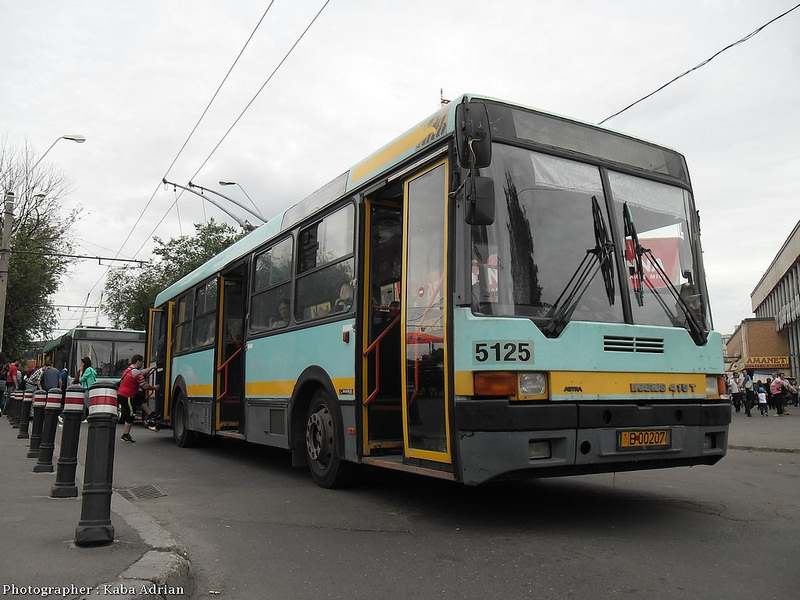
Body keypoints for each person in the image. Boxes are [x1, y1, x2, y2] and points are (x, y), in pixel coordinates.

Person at [117, 354, 160, 443]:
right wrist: (154, 388)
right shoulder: (136, 372)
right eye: (142, 362)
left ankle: (151, 414)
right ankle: (125, 435)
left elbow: (142, 372)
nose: (142, 364)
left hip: (122, 394)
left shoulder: (129, 369)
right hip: (127, 396)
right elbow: (145, 386)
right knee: (131, 414)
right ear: (138, 362)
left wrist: (152, 367)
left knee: (139, 396)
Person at [78, 356, 97, 421]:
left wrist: (79, 378)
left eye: (83, 362)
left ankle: (91, 416)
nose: (82, 364)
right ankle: (85, 417)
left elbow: (82, 379)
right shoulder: (91, 369)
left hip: (87, 388)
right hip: (90, 388)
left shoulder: (87, 370)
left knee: (87, 403)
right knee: (86, 403)